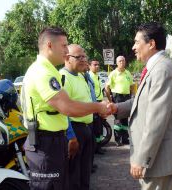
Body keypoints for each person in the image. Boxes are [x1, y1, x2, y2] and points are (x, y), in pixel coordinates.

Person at [21, 27, 110, 190]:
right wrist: (98, 106)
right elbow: (67, 106)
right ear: (49, 45)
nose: (66, 51)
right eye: (63, 46)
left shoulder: (49, 70)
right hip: (45, 143)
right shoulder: (43, 72)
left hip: (52, 141)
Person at [109, 22, 172, 190]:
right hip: (159, 156)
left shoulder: (161, 71)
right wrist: (116, 108)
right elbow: (142, 100)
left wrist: (141, 159)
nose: (133, 47)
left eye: (137, 42)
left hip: (159, 158)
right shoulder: (157, 68)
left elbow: (156, 122)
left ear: (151, 44)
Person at [60, 44, 95, 190]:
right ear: (67, 58)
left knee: (85, 171)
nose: (83, 59)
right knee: (73, 174)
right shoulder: (63, 77)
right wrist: (71, 136)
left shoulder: (81, 76)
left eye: (84, 56)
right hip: (75, 130)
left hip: (87, 129)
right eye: (78, 57)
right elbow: (63, 109)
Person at [105, 56, 133, 146]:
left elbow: (131, 86)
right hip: (117, 97)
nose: (122, 62)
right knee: (118, 119)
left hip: (127, 96)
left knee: (125, 119)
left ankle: (125, 138)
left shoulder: (128, 73)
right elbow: (106, 87)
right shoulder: (113, 73)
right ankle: (118, 139)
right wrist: (110, 100)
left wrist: (132, 96)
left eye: (123, 61)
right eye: (120, 61)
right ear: (117, 63)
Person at [88, 60, 106, 154]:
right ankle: (96, 148)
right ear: (90, 66)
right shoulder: (89, 76)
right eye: (95, 65)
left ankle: (98, 146)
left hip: (99, 102)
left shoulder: (96, 76)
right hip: (94, 104)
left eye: (98, 64)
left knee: (99, 125)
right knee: (96, 126)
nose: (97, 66)